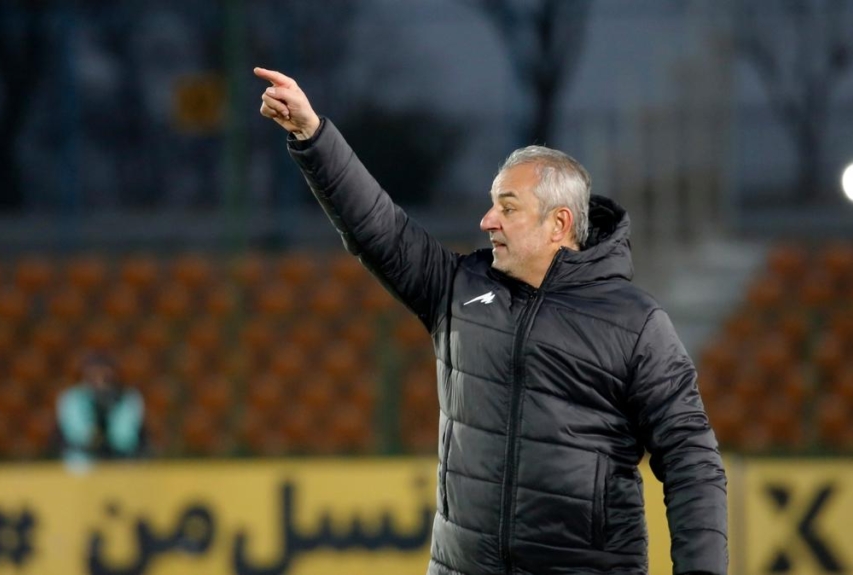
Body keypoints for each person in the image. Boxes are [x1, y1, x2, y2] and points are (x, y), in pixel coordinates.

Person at [254, 67, 727, 575]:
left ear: (559, 224)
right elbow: (378, 228)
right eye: (490, 205)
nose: (487, 221)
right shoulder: (458, 288)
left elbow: (691, 461)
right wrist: (312, 135)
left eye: (508, 207)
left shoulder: (636, 323)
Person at [56, 353, 146, 468]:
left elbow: (124, 437)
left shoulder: (128, 397)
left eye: (104, 373)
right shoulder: (73, 397)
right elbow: (77, 434)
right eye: (94, 373)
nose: (99, 377)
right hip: (82, 458)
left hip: (121, 457)